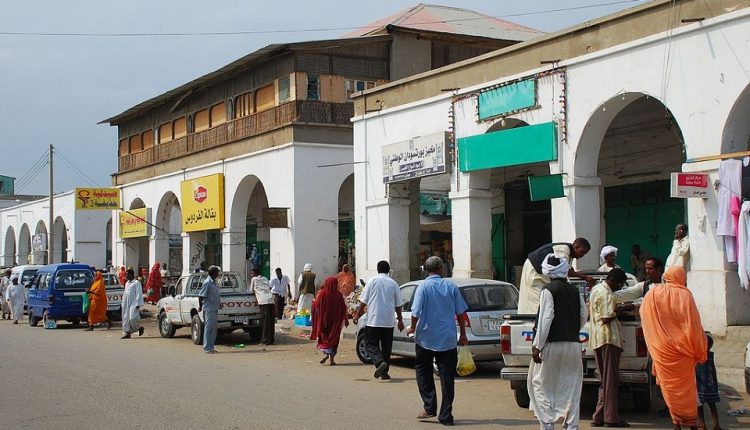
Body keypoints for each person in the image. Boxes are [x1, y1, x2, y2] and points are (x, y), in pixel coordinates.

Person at [640, 266, 707, 430]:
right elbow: (693, 325)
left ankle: (677, 423)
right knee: (688, 390)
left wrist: (656, 339)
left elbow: (643, 314)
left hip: (662, 350)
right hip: (684, 350)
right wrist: (700, 348)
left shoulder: (653, 293)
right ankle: (691, 422)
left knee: (670, 390)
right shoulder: (685, 295)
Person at [406, 256, 468, 426]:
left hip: (425, 338)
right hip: (447, 338)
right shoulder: (451, 286)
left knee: (423, 372)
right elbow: (460, 313)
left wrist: (412, 328)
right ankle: (446, 415)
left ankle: (429, 406)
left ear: (427, 270)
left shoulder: (423, 287)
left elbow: (415, 312)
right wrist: (463, 334)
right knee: (447, 377)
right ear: (440, 268)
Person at [528, 254, 588, 430]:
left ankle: (547, 424)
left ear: (547, 271)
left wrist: (537, 346)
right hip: (573, 345)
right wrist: (571, 328)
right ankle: (571, 426)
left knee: (542, 385)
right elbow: (584, 315)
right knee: (572, 387)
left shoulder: (548, 290)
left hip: (552, 344)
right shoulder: (574, 290)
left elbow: (546, 318)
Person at [589, 268, 630, 428]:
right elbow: (606, 317)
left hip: (598, 338)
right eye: (619, 284)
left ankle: (599, 416)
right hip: (608, 339)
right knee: (611, 381)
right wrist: (622, 309)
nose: (619, 288)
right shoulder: (606, 293)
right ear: (613, 280)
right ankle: (611, 418)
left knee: (606, 380)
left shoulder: (596, 289)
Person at [353, 260, 404, 380]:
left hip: (374, 320)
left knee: (370, 344)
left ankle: (379, 362)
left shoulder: (372, 281)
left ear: (377, 269)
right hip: (388, 321)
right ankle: (384, 373)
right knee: (386, 348)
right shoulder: (393, 283)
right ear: (388, 270)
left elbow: (363, 301)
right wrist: (400, 320)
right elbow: (398, 305)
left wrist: (357, 315)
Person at [518, 238, 594, 314]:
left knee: (546, 301)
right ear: (576, 247)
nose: (583, 255)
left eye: (585, 254)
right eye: (582, 252)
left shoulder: (569, 254)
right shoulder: (564, 250)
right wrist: (585, 277)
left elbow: (568, 270)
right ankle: (533, 318)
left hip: (542, 274)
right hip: (534, 271)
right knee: (537, 300)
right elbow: (563, 270)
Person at [309, 276, 349, 365]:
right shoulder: (339, 295)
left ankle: (326, 353)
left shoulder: (322, 294)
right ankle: (332, 359)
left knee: (324, 337)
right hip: (336, 322)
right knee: (334, 339)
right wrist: (345, 319)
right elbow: (343, 308)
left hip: (324, 321)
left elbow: (316, 305)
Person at [696, 334, 721, 430]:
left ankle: (711, 426)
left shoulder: (700, 355)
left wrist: (715, 381)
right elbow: (713, 370)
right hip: (705, 384)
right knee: (708, 405)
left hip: (704, 385)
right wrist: (715, 381)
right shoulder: (699, 355)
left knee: (704, 406)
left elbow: (713, 369)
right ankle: (710, 426)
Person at [198, 265, 221, 353]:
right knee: (209, 328)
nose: (218, 274)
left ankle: (211, 347)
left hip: (214, 307)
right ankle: (207, 348)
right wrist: (200, 306)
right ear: (213, 273)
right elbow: (201, 295)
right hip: (209, 308)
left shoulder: (214, 282)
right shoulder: (207, 282)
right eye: (217, 272)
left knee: (213, 329)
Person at [250, 267, 275, 345]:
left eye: (252, 273)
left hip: (263, 301)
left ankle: (265, 340)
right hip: (271, 299)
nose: (251, 275)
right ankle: (271, 340)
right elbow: (268, 287)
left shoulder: (254, 279)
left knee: (265, 322)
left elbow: (251, 290)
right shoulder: (265, 278)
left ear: (256, 273)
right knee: (271, 321)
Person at [121, 268, 145, 339]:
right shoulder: (127, 283)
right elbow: (125, 294)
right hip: (126, 304)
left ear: (131, 275)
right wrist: (123, 303)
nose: (126, 276)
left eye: (127, 274)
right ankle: (127, 333)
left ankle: (139, 328)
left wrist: (138, 304)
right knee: (126, 318)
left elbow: (139, 293)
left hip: (133, 304)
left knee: (132, 318)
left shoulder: (136, 283)